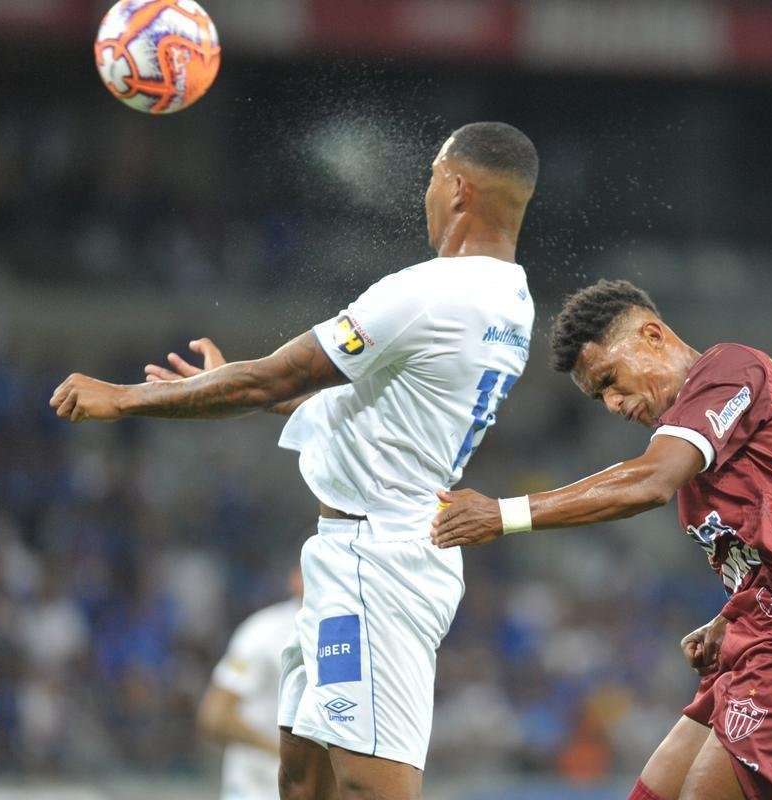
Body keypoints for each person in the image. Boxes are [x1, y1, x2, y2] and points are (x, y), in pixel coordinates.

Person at [50, 121, 539, 800]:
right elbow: (364, 415)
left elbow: (272, 379)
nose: (426, 190)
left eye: (431, 175)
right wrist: (218, 387)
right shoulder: (507, 299)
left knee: (372, 784)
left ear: (457, 186)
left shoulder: (432, 291)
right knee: (303, 781)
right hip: (358, 550)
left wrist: (124, 399)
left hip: (380, 559)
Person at [431, 279, 772, 800]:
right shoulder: (708, 436)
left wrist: (503, 514)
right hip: (764, 640)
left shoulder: (729, 370)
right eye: (598, 394)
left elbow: (651, 482)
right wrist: (731, 615)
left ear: (652, 336)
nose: (612, 403)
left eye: (611, 379)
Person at [199, 565, 303, 800]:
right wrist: (285, 753)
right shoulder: (264, 631)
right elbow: (215, 716)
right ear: (295, 579)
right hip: (256, 789)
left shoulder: (342, 630)